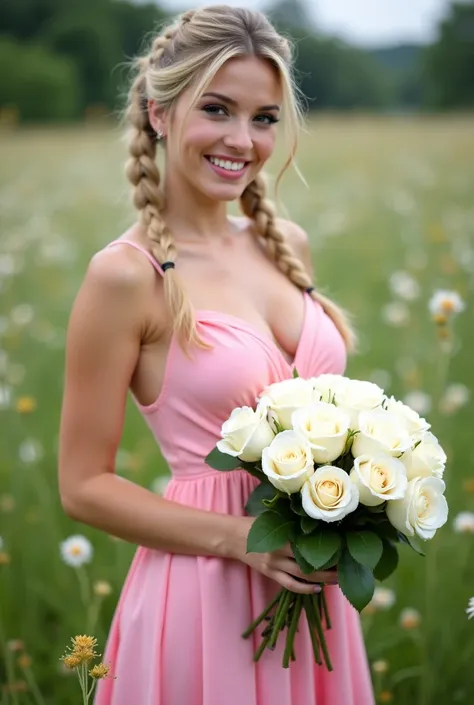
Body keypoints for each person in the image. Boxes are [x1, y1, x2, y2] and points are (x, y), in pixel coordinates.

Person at [58, 5, 374, 704]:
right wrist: (240, 538)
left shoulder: (285, 243)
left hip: (311, 586)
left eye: (264, 118)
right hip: (203, 591)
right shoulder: (127, 275)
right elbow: (82, 485)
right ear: (159, 113)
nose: (242, 139)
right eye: (218, 109)